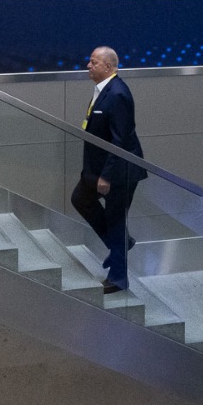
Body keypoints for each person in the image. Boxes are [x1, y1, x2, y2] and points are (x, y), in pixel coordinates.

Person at [69, 46, 147, 293]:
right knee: (80, 198)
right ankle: (121, 243)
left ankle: (118, 279)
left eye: (94, 62)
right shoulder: (102, 90)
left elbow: (119, 140)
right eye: (90, 61)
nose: (88, 65)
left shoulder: (118, 94)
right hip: (97, 169)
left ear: (109, 67)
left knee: (115, 221)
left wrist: (107, 176)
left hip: (119, 173)